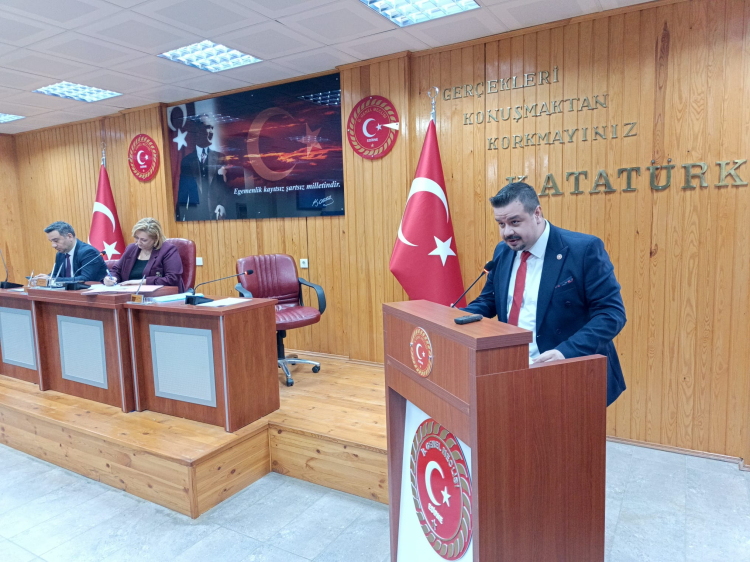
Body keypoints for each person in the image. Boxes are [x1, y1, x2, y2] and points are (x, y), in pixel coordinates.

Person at [463, 182, 627, 406]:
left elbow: (611, 314)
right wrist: (455, 318)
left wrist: (565, 352)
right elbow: (489, 300)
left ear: (537, 213)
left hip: (568, 372)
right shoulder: (503, 251)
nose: (507, 232)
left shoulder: (583, 250)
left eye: (515, 222)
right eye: (501, 224)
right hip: (511, 369)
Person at [103, 218, 184, 292]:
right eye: (136, 238)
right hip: (129, 294)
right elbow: (116, 270)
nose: (138, 242)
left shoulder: (168, 250)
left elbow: (172, 279)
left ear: (156, 239)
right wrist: (111, 278)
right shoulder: (131, 248)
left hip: (160, 296)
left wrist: (141, 282)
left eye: (144, 240)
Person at [175, 113, 229, 222]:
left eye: (212, 128)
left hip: (217, 216)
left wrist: (223, 205)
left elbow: (227, 188)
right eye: (208, 127)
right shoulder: (187, 161)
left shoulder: (220, 157)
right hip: (194, 218)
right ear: (197, 131)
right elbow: (183, 193)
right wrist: (179, 217)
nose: (211, 131)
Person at [41, 221, 107, 283]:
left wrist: (52, 279)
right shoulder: (60, 254)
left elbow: (85, 279)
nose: (53, 245)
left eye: (56, 241)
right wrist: (45, 278)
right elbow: (55, 275)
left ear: (70, 236)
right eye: (51, 241)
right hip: (67, 290)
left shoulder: (88, 252)